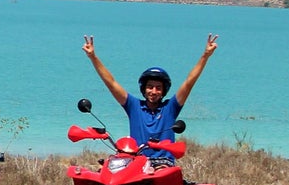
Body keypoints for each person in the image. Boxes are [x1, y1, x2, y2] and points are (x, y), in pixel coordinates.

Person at [83, 34, 217, 156]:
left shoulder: (170, 108)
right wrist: (93, 57)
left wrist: (205, 55)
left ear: (164, 91)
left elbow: (189, 82)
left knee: (164, 174)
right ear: (144, 89)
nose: (153, 91)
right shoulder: (133, 106)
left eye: (158, 88)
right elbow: (111, 83)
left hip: (162, 165)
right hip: (137, 162)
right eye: (150, 87)